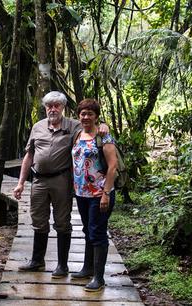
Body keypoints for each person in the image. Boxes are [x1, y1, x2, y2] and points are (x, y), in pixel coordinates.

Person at [13, 91, 108, 278]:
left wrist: (104, 125)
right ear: (45, 107)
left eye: (57, 105)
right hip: (38, 180)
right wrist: (20, 183)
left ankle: (62, 265)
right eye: (49, 105)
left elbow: (92, 126)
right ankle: (37, 260)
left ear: (63, 107)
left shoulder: (74, 126)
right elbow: (29, 155)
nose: (53, 109)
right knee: (38, 220)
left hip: (61, 179)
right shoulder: (38, 127)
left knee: (62, 221)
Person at [70, 98, 118, 292]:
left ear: (96, 116)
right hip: (81, 193)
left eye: (90, 113)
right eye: (83, 113)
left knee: (97, 232)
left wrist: (106, 193)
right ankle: (87, 268)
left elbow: (113, 166)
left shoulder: (104, 136)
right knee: (88, 230)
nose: (86, 117)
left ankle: (99, 278)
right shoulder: (77, 134)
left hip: (100, 193)